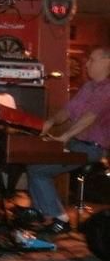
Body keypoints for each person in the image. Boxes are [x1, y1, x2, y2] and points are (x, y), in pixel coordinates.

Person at [16, 46, 110, 236]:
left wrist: (64, 137)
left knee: (38, 170)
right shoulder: (88, 87)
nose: (87, 64)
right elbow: (68, 110)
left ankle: (60, 218)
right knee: (34, 161)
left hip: (92, 149)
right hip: (76, 144)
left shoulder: (107, 89)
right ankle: (41, 212)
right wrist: (50, 122)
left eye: (92, 60)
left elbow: (90, 117)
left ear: (107, 62)